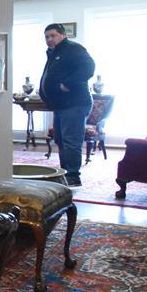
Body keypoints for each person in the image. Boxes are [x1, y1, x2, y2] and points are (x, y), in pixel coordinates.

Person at [38, 23, 95, 186]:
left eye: (52, 35)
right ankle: (65, 172)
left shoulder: (72, 49)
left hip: (75, 103)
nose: (49, 39)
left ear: (63, 35)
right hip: (60, 105)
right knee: (60, 139)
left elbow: (88, 68)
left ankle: (73, 176)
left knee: (71, 140)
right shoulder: (54, 52)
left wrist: (67, 84)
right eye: (46, 37)